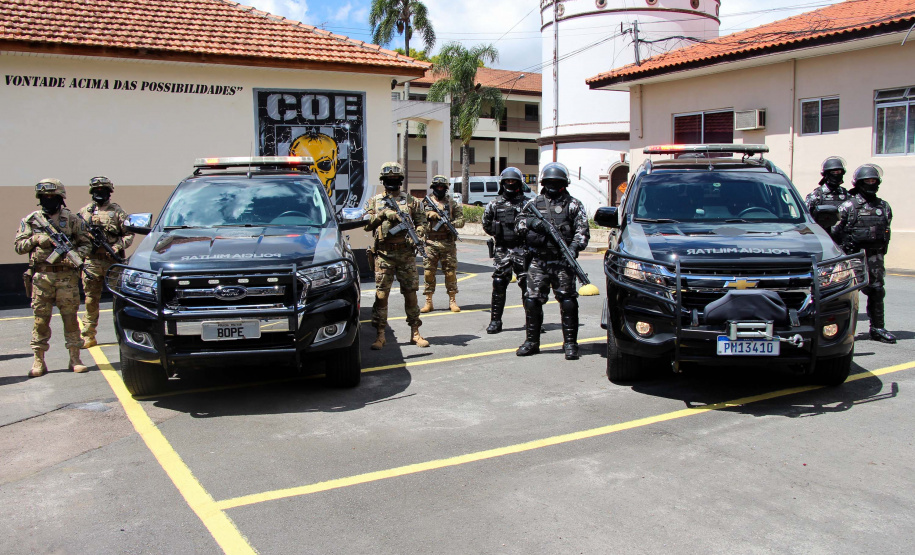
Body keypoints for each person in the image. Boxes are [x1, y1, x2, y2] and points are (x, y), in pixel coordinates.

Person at [14, 179, 92, 377]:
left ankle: (75, 358)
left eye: (52, 196)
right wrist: (36, 239)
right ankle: (39, 360)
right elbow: (18, 246)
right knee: (40, 320)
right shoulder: (31, 220)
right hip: (42, 278)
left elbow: (86, 244)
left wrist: (75, 257)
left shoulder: (73, 219)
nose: (48, 200)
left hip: (67, 277)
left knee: (71, 319)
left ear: (60, 198)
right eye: (45, 197)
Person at [515, 163, 590, 360]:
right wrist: (533, 223)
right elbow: (519, 224)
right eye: (550, 182)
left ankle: (571, 343)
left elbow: (582, 231)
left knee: (568, 301)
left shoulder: (573, 205)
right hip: (538, 261)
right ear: (543, 183)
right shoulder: (534, 203)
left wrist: (573, 248)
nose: (553, 186)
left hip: (562, 261)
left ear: (564, 183)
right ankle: (532, 342)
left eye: (557, 182)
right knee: (532, 301)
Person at [363, 162, 429, 350]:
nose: (392, 182)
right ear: (383, 180)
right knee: (381, 295)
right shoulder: (375, 201)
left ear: (400, 180)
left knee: (411, 294)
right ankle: (380, 334)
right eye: (389, 179)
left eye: (395, 178)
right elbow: (366, 224)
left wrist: (419, 235)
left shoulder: (412, 201)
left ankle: (415, 332)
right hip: (384, 254)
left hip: (406, 254)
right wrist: (383, 214)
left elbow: (422, 223)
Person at [832, 164, 895, 344]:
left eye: (874, 180)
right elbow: (835, 233)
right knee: (847, 293)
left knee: (877, 291)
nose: (871, 183)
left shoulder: (884, 206)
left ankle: (877, 328)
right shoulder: (848, 206)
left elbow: (886, 229)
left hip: (875, 256)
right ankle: (841, 330)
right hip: (853, 256)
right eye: (868, 181)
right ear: (859, 183)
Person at [78, 176, 134, 348]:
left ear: (109, 192)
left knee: (120, 301)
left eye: (103, 190)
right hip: (92, 262)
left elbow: (129, 234)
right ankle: (88, 335)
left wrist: (117, 247)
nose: (100, 193)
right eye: (97, 190)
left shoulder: (117, 212)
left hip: (112, 262)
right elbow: (77, 235)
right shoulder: (84, 212)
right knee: (90, 300)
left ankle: (124, 335)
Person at [482, 167, 528, 334]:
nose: (510, 184)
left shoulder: (528, 204)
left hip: (523, 250)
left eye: (513, 181)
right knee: (499, 284)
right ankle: (495, 321)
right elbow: (486, 223)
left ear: (519, 183)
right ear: (502, 183)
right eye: (507, 181)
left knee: (528, 286)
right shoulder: (494, 204)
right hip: (502, 249)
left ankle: (533, 321)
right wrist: (498, 232)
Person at [420, 175, 464, 314]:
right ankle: (428, 301)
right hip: (430, 243)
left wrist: (450, 223)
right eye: (437, 187)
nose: (440, 189)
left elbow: (461, 220)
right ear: (433, 188)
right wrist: (429, 214)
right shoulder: (425, 203)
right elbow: (418, 218)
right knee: (428, 272)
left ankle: (452, 300)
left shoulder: (452, 203)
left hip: (447, 243)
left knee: (450, 273)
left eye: (442, 187)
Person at [806, 156, 850, 230]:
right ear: (826, 174)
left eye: (838, 172)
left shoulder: (847, 195)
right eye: (833, 172)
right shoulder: (816, 196)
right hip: (823, 234)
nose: (836, 175)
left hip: (841, 235)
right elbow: (806, 219)